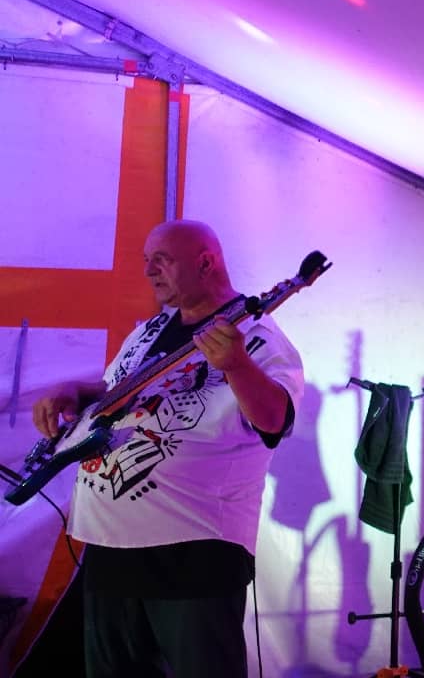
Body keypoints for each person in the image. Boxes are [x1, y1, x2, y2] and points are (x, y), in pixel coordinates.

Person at [31, 219, 304, 678]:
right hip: (109, 547)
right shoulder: (149, 330)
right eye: (146, 261)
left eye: (162, 259)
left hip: (192, 552)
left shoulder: (260, 337)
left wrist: (235, 363)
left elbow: (275, 418)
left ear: (205, 262)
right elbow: (115, 388)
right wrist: (75, 392)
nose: (149, 271)